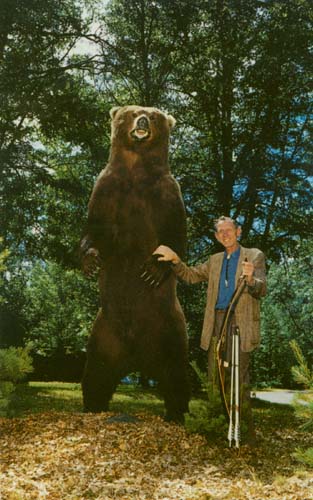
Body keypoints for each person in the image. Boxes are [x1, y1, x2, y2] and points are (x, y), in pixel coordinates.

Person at [153, 216, 266, 445]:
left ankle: (245, 435)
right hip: (217, 322)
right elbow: (191, 275)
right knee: (216, 379)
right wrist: (175, 260)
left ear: (239, 232)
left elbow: (261, 290)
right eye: (220, 232)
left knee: (238, 380)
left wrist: (251, 278)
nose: (225, 234)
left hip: (240, 323)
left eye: (229, 230)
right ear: (216, 237)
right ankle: (219, 431)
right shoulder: (214, 260)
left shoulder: (254, 256)